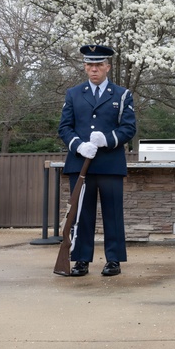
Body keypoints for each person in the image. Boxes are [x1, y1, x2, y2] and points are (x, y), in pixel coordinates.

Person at [58, 45, 137, 277]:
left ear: (107, 67)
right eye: (90, 65)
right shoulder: (73, 93)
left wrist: (107, 139)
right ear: (85, 67)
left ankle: (113, 259)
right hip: (80, 163)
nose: (94, 69)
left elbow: (129, 128)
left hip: (110, 163)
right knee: (81, 213)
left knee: (113, 213)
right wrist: (78, 145)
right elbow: (64, 127)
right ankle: (81, 259)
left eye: (99, 65)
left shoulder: (122, 95)